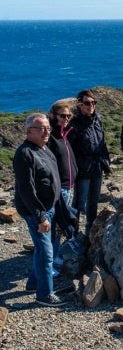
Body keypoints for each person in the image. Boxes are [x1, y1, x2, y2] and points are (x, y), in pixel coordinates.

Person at [13, 113, 66, 306]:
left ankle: (34, 282)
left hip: (49, 209)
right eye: (40, 128)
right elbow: (26, 190)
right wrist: (41, 217)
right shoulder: (24, 153)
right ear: (29, 131)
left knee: (43, 248)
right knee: (46, 251)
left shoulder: (44, 149)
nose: (46, 132)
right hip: (36, 211)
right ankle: (45, 294)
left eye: (48, 128)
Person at [68, 89, 111, 236]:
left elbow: (102, 143)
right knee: (79, 203)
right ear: (79, 105)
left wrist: (106, 162)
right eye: (87, 103)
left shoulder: (97, 121)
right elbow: (70, 150)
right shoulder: (74, 125)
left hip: (97, 167)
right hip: (82, 169)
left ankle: (90, 232)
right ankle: (72, 234)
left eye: (93, 102)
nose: (91, 105)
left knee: (93, 203)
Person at [47, 99, 82, 257]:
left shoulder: (64, 134)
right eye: (62, 116)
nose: (66, 118)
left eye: (68, 116)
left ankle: (55, 255)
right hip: (59, 189)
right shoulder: (51, 137)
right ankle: (52, 258)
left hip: (68, 186)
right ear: (53, 116)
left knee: (61, 224)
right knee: (57, 225)